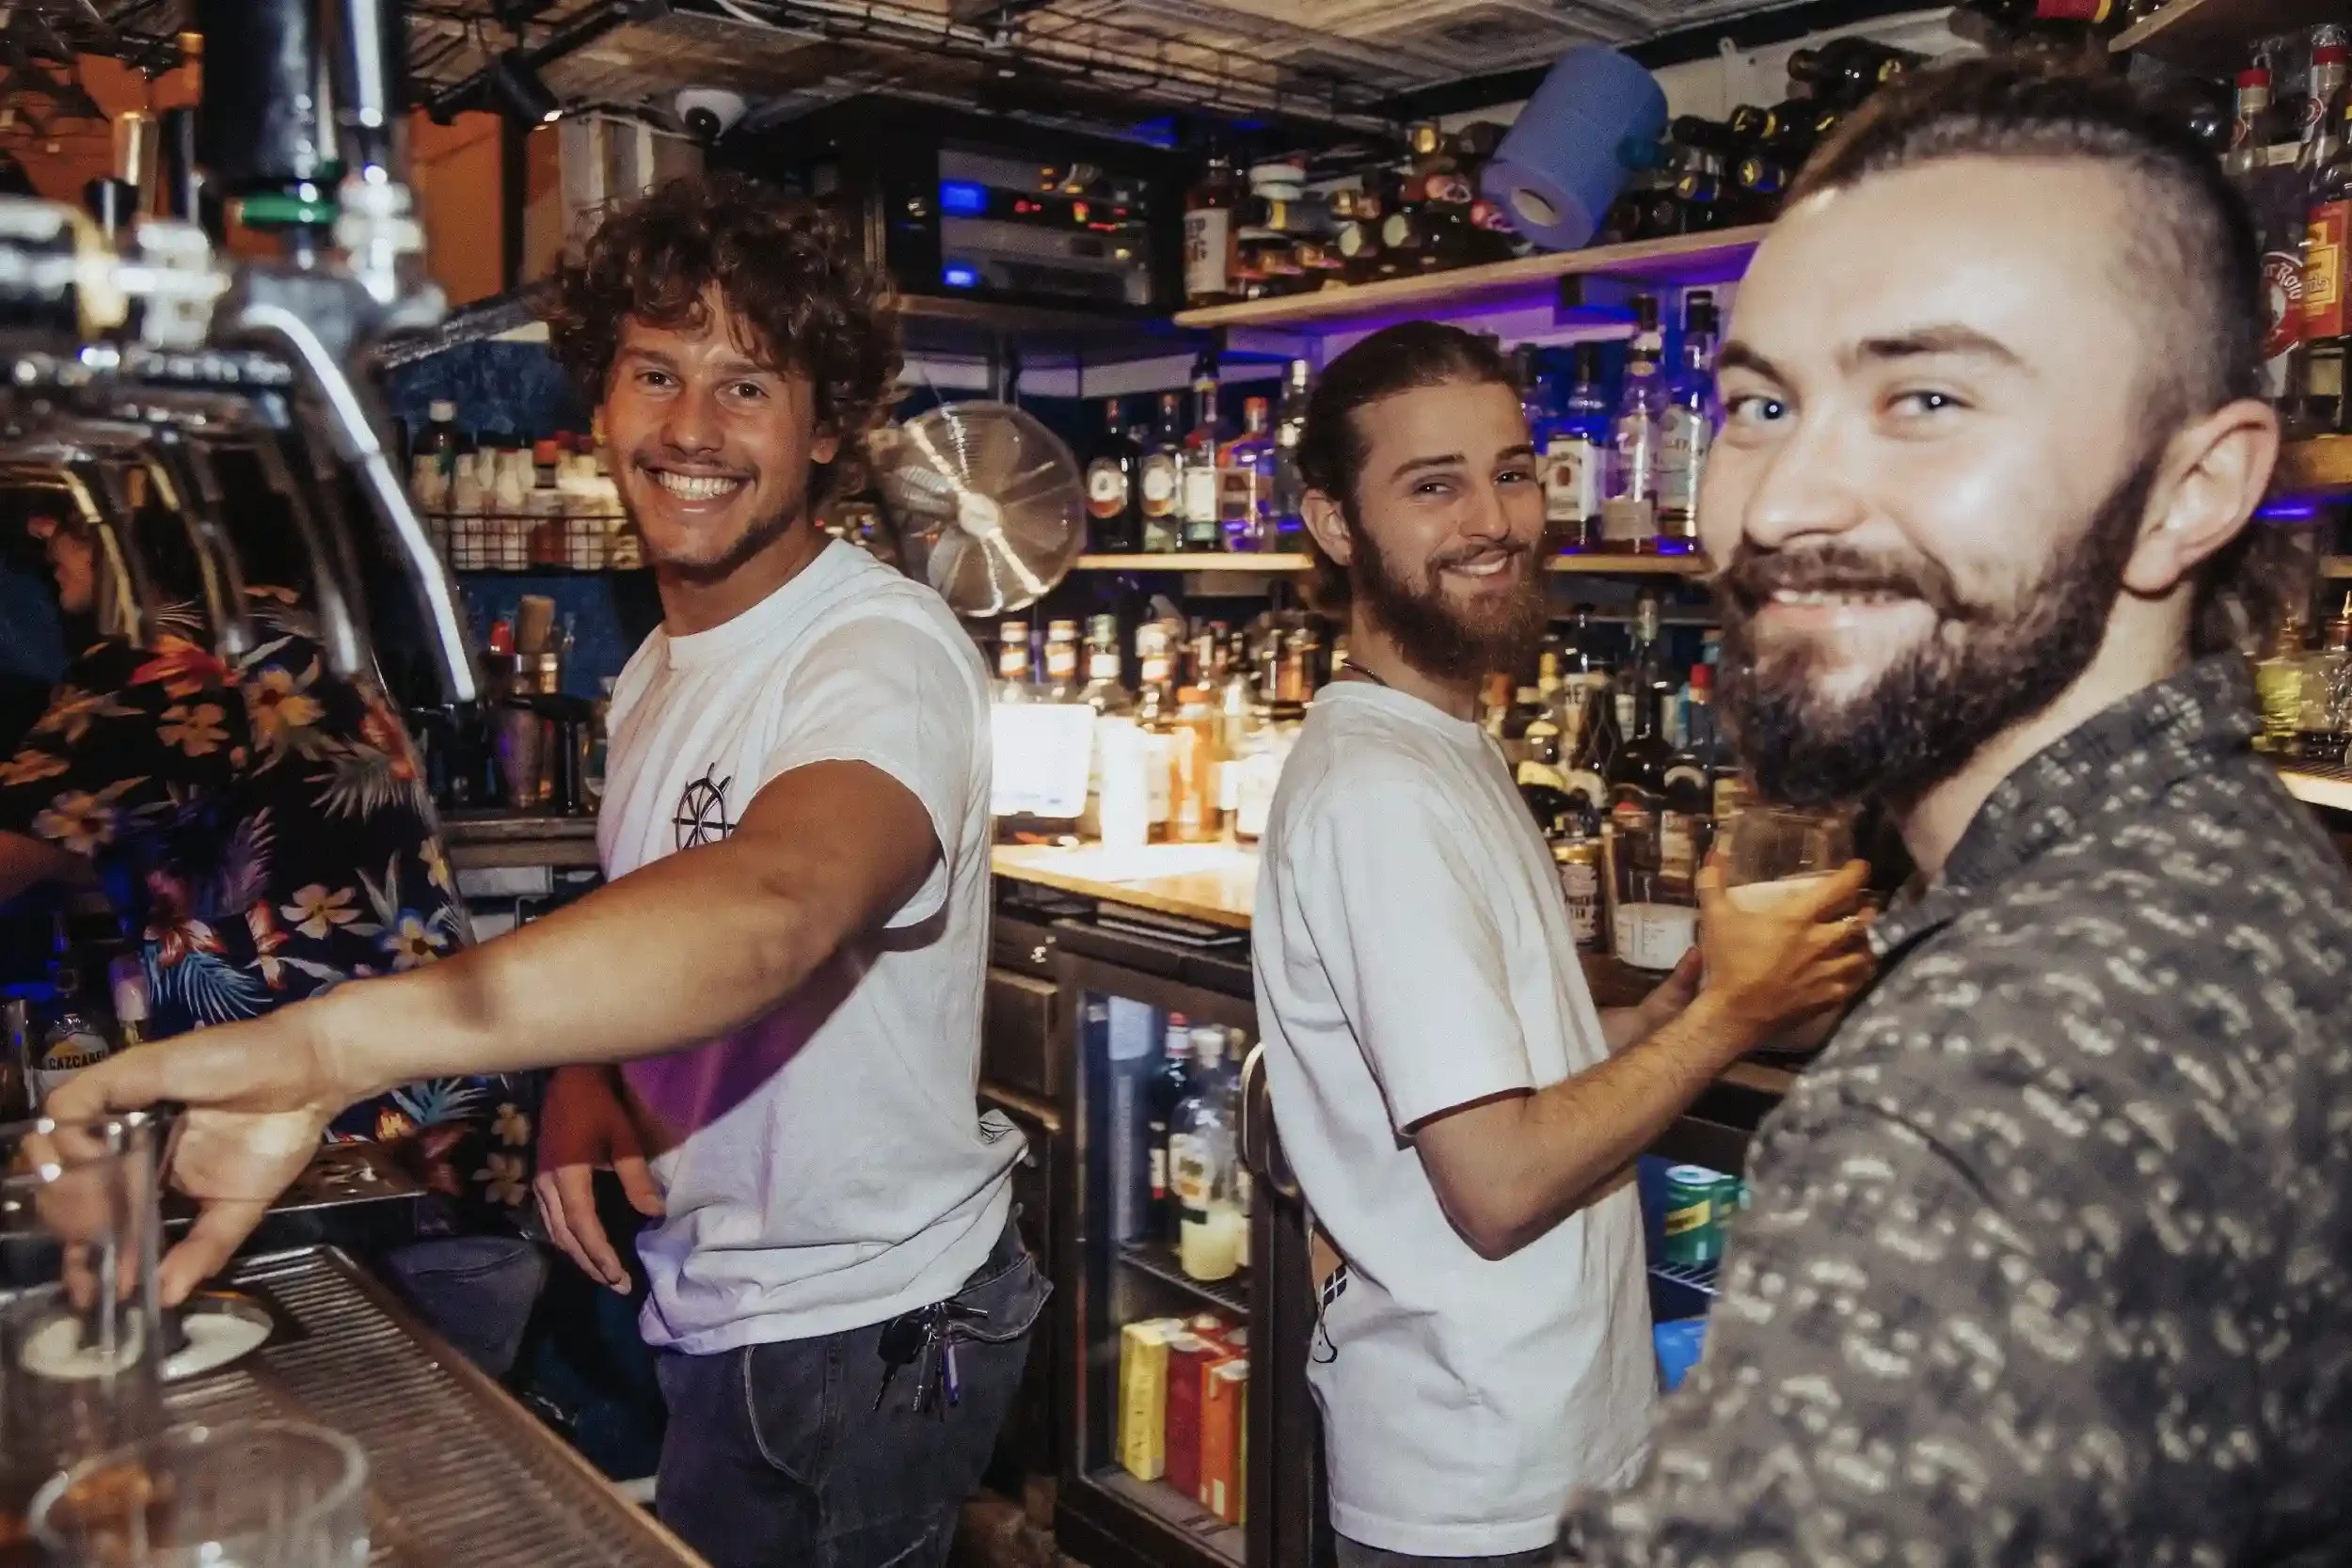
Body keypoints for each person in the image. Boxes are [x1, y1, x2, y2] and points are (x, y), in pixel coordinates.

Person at [53, 171, 1044, 1568]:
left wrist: (328, 1046)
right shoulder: (654, 669)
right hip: (727, 1296)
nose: (690, 427)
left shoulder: (877, 652)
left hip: (856, 1326)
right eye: (655, 372)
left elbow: (771, 908)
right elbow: (672, 910)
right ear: (602, 401)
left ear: (827, 430)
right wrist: (599, 1067)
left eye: (748, 385)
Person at [1560, 57, 2352, 1565]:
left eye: (1925, 398)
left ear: (2194, 488)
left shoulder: (1984, 1096)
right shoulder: (2224, 854)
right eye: (1759, 401)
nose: (1784, 497)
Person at [1258, 321, 1874, 1568]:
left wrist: (1687, 996)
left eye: (1515, 469)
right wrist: (1724, 1022)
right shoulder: (1384, 792)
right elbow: (1495, 1182)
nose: (1496, 517)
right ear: (1334, 523)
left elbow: (1506, 1069)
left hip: (1532, 1444)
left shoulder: (1439, 745)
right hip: (1479, 1481)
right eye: (1434, 485)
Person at [0, 514, 545, 1378]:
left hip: (354, 1171)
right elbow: (198, 835)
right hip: (452, 1156)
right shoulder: (301, 640)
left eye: (67, 519)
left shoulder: (166, 664)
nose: (41, 536)